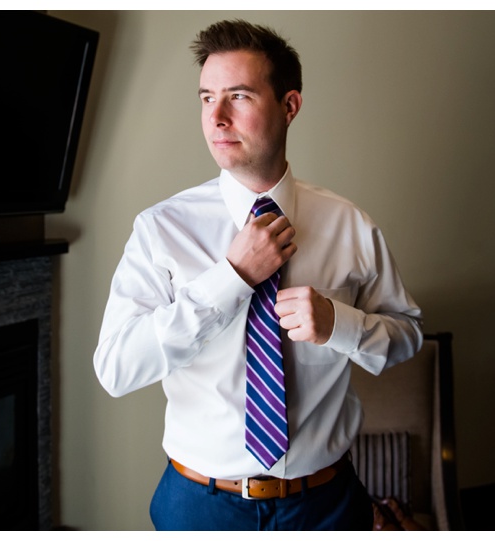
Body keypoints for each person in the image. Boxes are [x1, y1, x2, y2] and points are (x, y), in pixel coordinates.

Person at [93, 19, 423, 531]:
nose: (216, 118)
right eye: (206, 98)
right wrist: (230, 278)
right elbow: (116, 368)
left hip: (326, 504)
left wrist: (340, 324)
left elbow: (407, 335)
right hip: (199, 505)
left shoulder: (350, 225)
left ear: (289, 106)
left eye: (239, 96)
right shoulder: (161, 230)